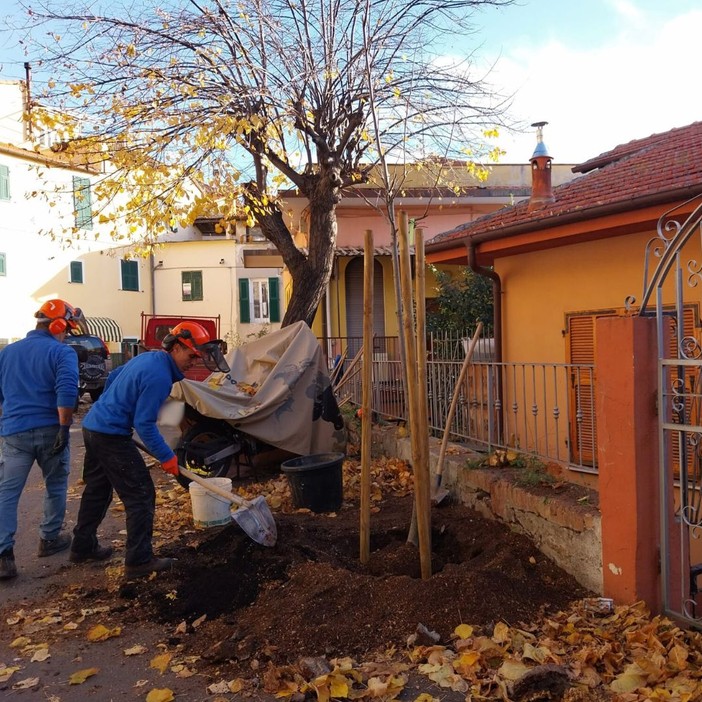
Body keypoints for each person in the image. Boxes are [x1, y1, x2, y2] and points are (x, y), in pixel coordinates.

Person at [70, 322, 229, 579]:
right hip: (110, 435)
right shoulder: (159, 376)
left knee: (97, 491)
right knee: (141, 495)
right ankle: (138, 560)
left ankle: (82, 546)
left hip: (93, 427)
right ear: (177, 347)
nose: (193, 362)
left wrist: (111, 407)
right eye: (191, 356)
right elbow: (144, 424)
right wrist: (168, 457)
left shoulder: (149, 358)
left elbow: (113, 377)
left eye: (197, 358)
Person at [0, 299, 83, 580]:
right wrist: (64, 427)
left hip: (14, 432)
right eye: (67, 329)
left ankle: (3, 555)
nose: (66, 335)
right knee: (56, 484)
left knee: (7, 493)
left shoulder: (7, 352)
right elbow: (67, 390)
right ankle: (49, 539)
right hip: (50, 429)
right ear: (59, 325)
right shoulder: (62, 352)